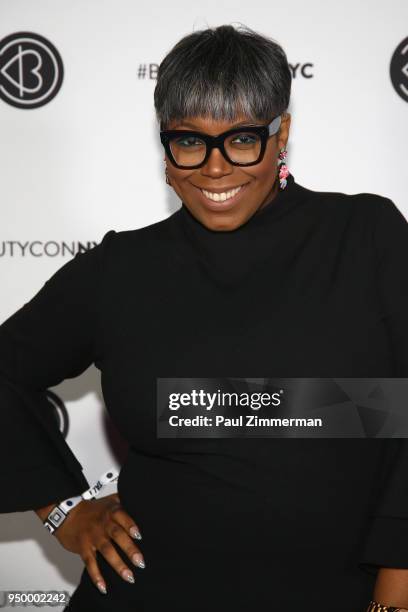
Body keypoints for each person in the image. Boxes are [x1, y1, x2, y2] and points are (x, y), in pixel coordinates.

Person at [0, 23, 408, 612]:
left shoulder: (366, 237)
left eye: (242, 140)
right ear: (164, 141)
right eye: (189, 141)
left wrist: (397, 587)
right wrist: (65, 509)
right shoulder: (123, 267)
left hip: (336, 591)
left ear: (281, 134)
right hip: (149, 590)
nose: (215, 168)